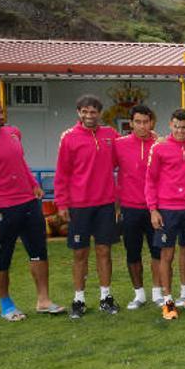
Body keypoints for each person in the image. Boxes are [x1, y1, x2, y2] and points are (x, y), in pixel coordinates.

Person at [0, 94, 63, 320]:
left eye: (1, 111)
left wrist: (33, 184)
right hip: (0, 208)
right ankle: (7, 305)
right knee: (1, 257)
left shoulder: (13, 133)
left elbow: (20, 162)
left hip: (29, 203)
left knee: (38, 252)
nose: (1, 116)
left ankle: (43, 300)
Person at [55, 95, 121, 319]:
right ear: (78, 113)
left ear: (99, 113)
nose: (89, 116)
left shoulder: (110, 136)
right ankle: (79, 300)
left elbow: (126, 153)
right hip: (79, 205)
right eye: (85, 111)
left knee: (104, 251)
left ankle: (105, 297)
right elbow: (62, 173)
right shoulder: (69, 138)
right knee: (80, 253)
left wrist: (153, 137)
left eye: (93, 112)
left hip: (105, 203)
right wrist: (62, 203)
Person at [145, 109, 185, 320]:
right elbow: (150, 181)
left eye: (184, 127)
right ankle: (168, 300)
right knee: (166, 255)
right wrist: (153, 209)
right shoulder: (159, 148)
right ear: (170, 125)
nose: (180, 131)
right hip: (167, 210)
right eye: (176, 127)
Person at [114, 105, 162, 309]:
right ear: (131, 123)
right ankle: (139, 294)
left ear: (152, 123)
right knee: (132, 253)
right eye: (138, 122)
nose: (142, 126)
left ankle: (158, 293)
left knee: (157, 252)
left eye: (146, 122)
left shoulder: (160, 144)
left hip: (156, 208)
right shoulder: (119, 144)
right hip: (130, 207)